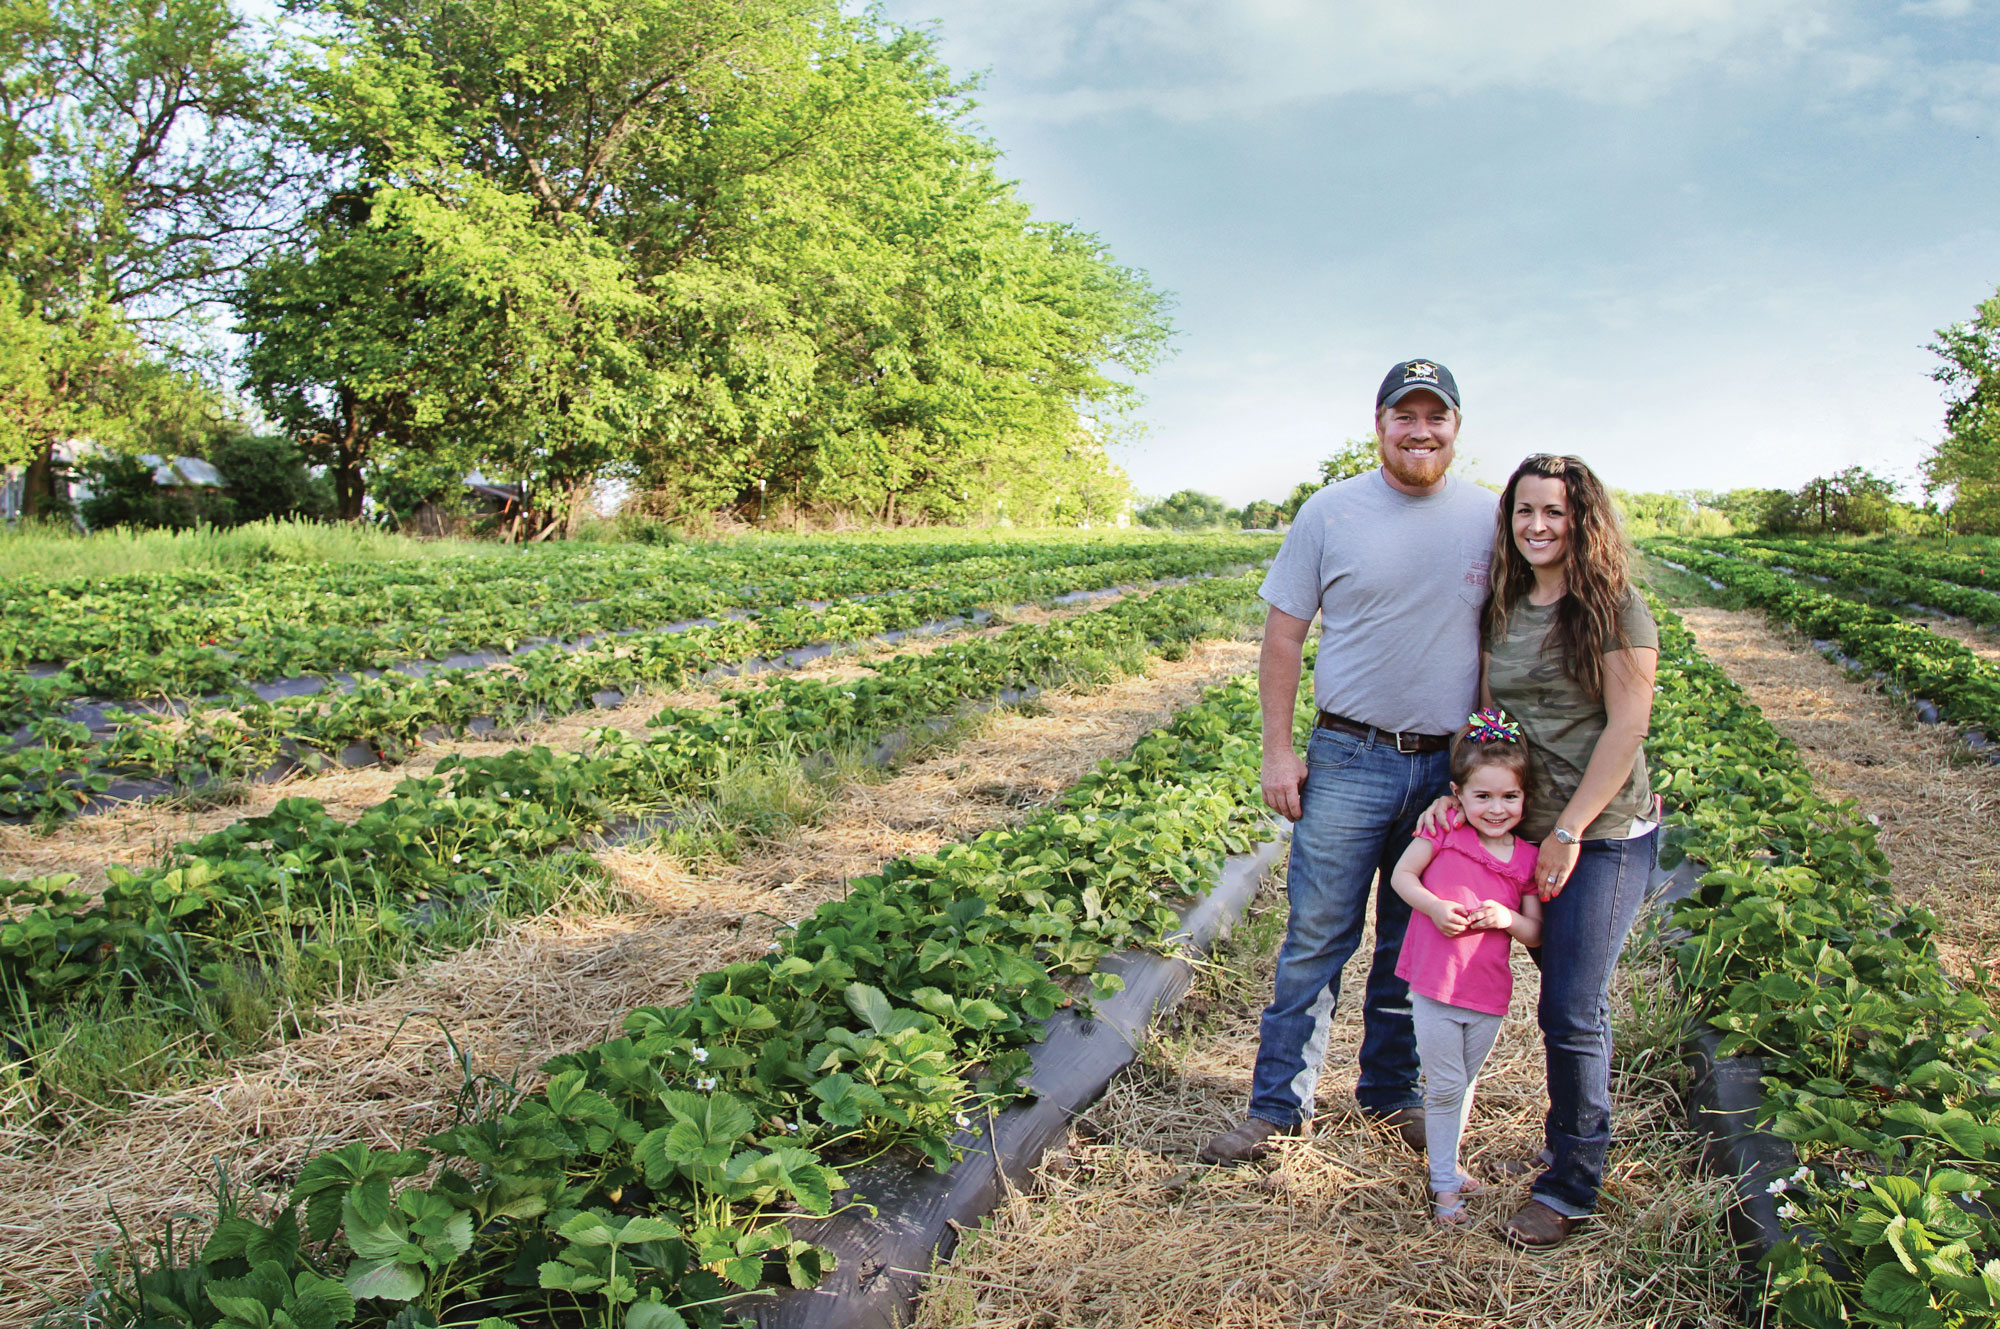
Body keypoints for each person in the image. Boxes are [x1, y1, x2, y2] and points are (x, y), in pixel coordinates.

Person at [1199, 358, 1498, 1164]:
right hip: (1348, 754)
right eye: (1406, 415)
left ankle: (1389, 1093)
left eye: (1437, 416)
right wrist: (1276, 749)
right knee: (1317, 936)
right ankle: (1277, 1106)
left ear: (1456, 429)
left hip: (1444, 768)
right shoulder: (1330, 513)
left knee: (1413, 941)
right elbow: (1284, 635)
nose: (1421, 430)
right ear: (1379, 424)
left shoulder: (1490, 518)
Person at [1424, 452, 1660, 1247]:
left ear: (1581, 519)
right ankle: (1570, 1140)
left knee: (1570, 1007)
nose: (1537, 525)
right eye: (1524, 511)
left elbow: (1627, 727)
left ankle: (1570, 1184)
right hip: (1525, 832)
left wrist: (1569, 832)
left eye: (1554, 512)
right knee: (1553, 993)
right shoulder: (1508, 604)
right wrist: (1457, 795)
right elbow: (1489, 720)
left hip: (1602, 834)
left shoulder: (1615, 608)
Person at [1387, 710, 1543, 1224]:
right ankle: (1443, 1185)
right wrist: (1433, 907)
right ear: (1458, 794)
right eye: (1483, 796)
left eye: (1509, 797)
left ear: (1525, 797)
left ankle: (1450, 1163)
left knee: (1465, 1082)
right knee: (1447, 1084)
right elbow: (1402, 877)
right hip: (1436, 983)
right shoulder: (1446, 830)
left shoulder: (1526, 858)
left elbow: (1535, 932)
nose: (1496, 809)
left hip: (1487, 991)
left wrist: (1507, 918)